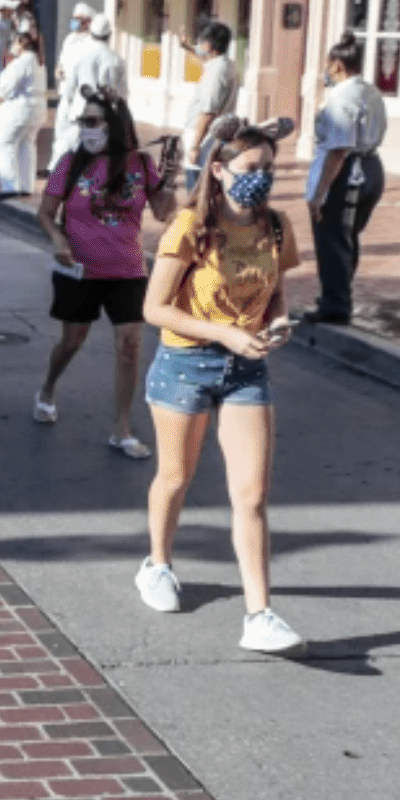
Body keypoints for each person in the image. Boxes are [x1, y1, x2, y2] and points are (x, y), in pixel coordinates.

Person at [138, 116, 304, 657]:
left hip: (246, 368)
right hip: (186, 364)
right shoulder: (190, 227)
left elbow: (275, 291)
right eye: (251, 168)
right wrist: (223, 334)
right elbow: (154, 308)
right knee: (175, 475)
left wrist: (276, 323)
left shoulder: (275, 227)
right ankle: (157, 564)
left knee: (252, 494)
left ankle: (259, 614)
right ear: (218, 168)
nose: (262, 178)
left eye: (268, 169)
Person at [33, 92, 182, 455]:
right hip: (79, 269)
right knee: (72, 341)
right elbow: (45, 213)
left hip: (127, 271)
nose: (86, 129)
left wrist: (170, 181)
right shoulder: (71, 164)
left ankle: (122, 428)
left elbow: (163, 213)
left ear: (114, 127)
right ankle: (48, 388)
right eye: (83, 122)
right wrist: (57, 239)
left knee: (130, 346)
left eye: (93, 122)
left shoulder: (141, 165)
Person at [301, 35, 388, 325]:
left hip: (350, 172)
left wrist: (319, 194)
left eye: (328, 65)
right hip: (371, 166)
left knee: (333, 239)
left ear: (337, 65)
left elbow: (338, 149)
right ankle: (335, 294)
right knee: (347, 237)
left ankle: (336, 304)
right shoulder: (370, 91)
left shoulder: (342, 97)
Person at [0, 30, 47, 197]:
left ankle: (9, 187)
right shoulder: (38, 61)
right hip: (36, 110)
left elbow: (7, 88)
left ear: (21, 44)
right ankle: (26, 185)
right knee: (26, 145)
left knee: (3, 144)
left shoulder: (20, 63)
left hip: (18, 110)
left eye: (14, 42)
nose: (12, 46)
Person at [179, 21, 237, 188]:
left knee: (196, 189)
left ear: (211, 45)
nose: (199, 44)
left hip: (205, 139)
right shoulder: (224, 63)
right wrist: (187, 46)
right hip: (214, 136)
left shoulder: (216, 73)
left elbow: (207, 112)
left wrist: (195, 146)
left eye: (202, 40)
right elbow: (203, 56)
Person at [51, 4, 98, 160]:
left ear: (88, 22)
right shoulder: (70, 39)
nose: (74, 22)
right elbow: (61, 61)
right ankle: (56, 166)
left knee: (77, 132)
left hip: (81, 96)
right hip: (65, 92)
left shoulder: (92, 42)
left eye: (78, 19)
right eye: (74, 18)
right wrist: (58, 70)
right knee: (61, 129)